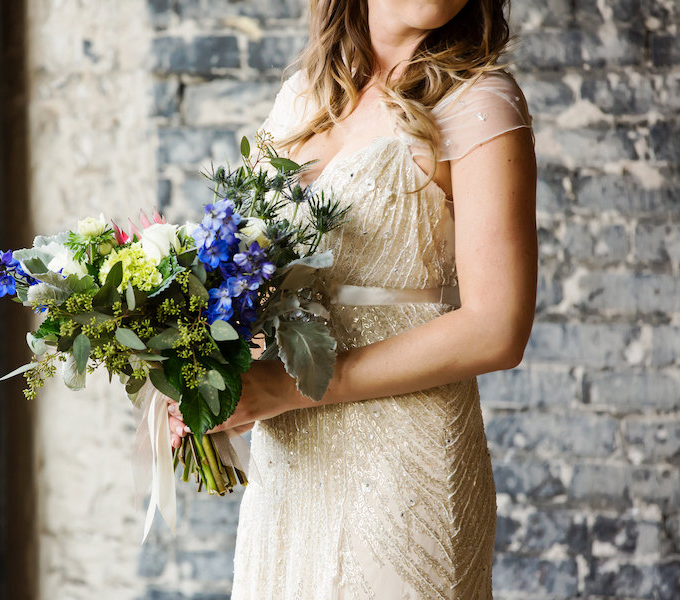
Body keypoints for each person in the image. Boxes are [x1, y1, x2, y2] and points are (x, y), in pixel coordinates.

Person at [168, 0, 537, 597]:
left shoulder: (480, 101)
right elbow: (242, 269)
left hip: (402, 463)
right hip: (292, 462)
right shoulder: (299, 99)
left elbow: (498, 328)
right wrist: (202, 373)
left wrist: (287, 389)